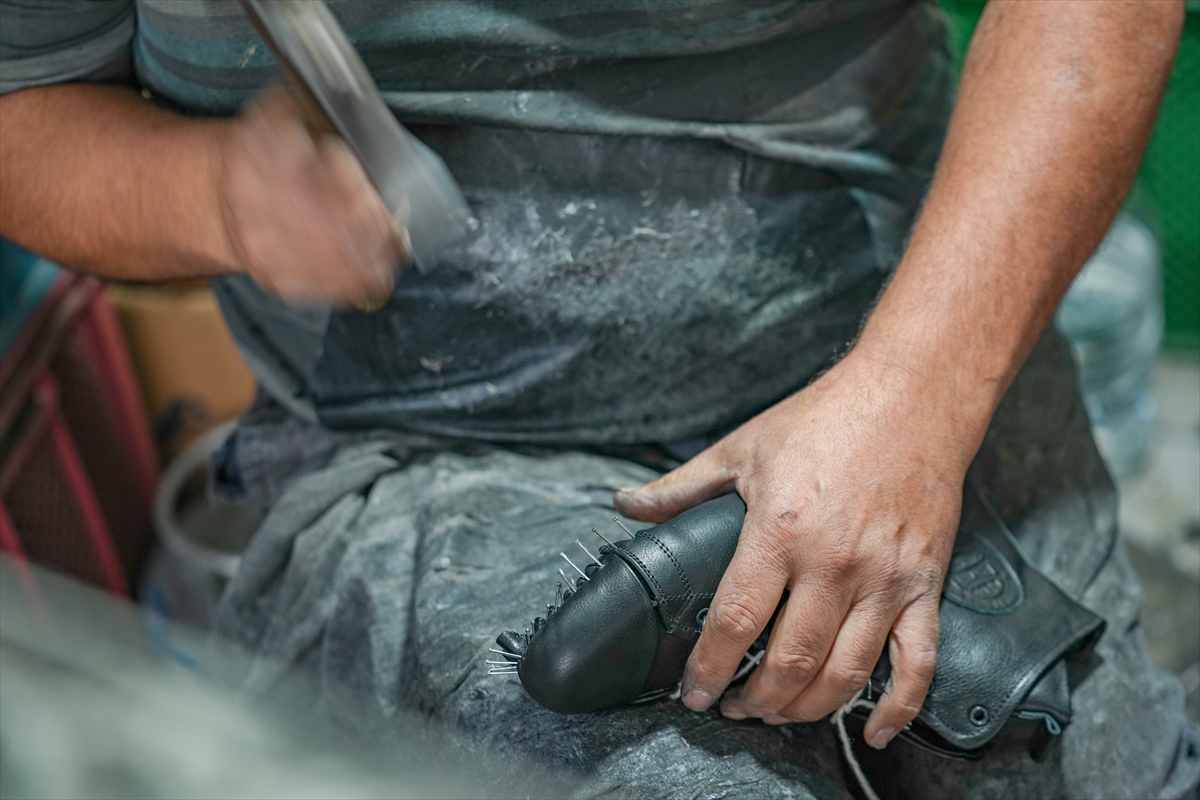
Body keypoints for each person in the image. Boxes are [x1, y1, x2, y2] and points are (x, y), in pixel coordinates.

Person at [2, 1, 1196, 797]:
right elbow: (23, 106)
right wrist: (220, 194)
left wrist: (918, 397)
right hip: (429, 440)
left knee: (1073, 764)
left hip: (906, 329)